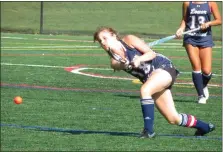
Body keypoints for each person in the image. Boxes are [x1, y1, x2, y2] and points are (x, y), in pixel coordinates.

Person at [93, 26, 215, 138]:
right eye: (100, 41)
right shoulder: (113, 61)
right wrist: (124, 63)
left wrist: (139, 59)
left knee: (145, 90)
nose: (103, 42)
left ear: (113, 35)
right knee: (173, 118)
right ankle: (204, 127)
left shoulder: (129, 39)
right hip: (151, 79)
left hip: (163, 67)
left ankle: (148, 131)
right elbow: (117, 65)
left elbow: (151, 54)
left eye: (104, 38)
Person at [175, 2, 222, 104]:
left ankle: (203, 85)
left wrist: (208, 23)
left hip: (205, 38)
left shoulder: (211, 3)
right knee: (196, 66)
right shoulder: (187, 3)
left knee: (206, 71)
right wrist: (181, 28)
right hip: (190, 38)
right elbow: (185, 19)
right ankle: (201, 95)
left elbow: (219, 20)